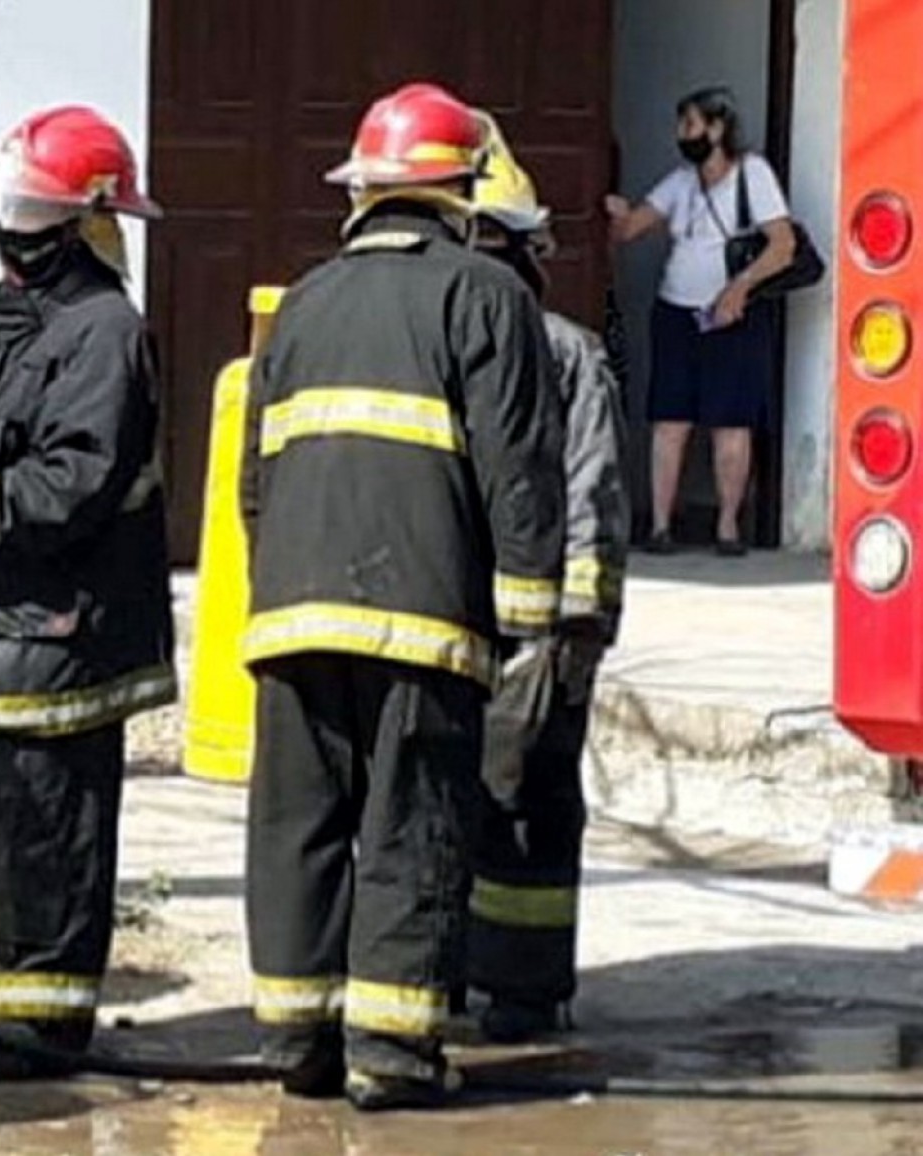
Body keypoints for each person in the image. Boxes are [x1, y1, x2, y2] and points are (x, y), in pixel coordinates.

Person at [239, 82, 566, 1111]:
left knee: (301, 822)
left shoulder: (302, 300)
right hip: (423, 620)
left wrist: (284, 584)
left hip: (291, 612)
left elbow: (256, 479)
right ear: (460, 192)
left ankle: (297, 1040)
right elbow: (519, 470)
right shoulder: (486, 295)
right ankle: (391, 1051)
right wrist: (528, 614)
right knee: (407, 824)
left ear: (363, 194)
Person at [0, 104, 175, 1083]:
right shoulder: (9, 327)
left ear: (88, 224)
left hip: (62, 636)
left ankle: (45, 1030)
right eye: (8, 211)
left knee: (48, 837)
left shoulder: (105, 333)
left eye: (29, 214)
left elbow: (71, 485)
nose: (11, 233)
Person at [466, 111, 631, 1044]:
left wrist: (577, 630)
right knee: (522, 809)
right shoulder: (563, 348)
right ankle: (518, 994)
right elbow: (598, 492)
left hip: (505, 630)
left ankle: (506, 985)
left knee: (507, 804)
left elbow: (591, 494)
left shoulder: (559, 353)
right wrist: (579, 629)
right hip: (524, 629)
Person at [605, 85, 794, 557]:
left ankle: (728, 527)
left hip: (733, 318)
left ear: (717, 127)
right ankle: (662, 526)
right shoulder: (680, 181)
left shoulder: (753, 175)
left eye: (689, 124)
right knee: (670, 421)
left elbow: (783, 244)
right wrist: (616, 211)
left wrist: (739, 288)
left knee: (731, 422)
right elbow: (631, 230)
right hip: (676, 313)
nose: (681, 134)